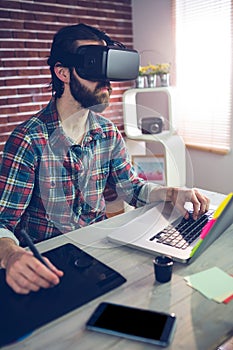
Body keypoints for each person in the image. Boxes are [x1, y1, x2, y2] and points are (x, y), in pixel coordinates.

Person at [0, 23, 209, 294]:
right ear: (63, 73)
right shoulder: (29, 140)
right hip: (46, 264)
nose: (107, 83)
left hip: (98, 254)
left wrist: (173, 194)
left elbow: (131, 189)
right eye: (93, 67)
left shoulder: (107, 132)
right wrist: (11, 255)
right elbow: (3, 221)